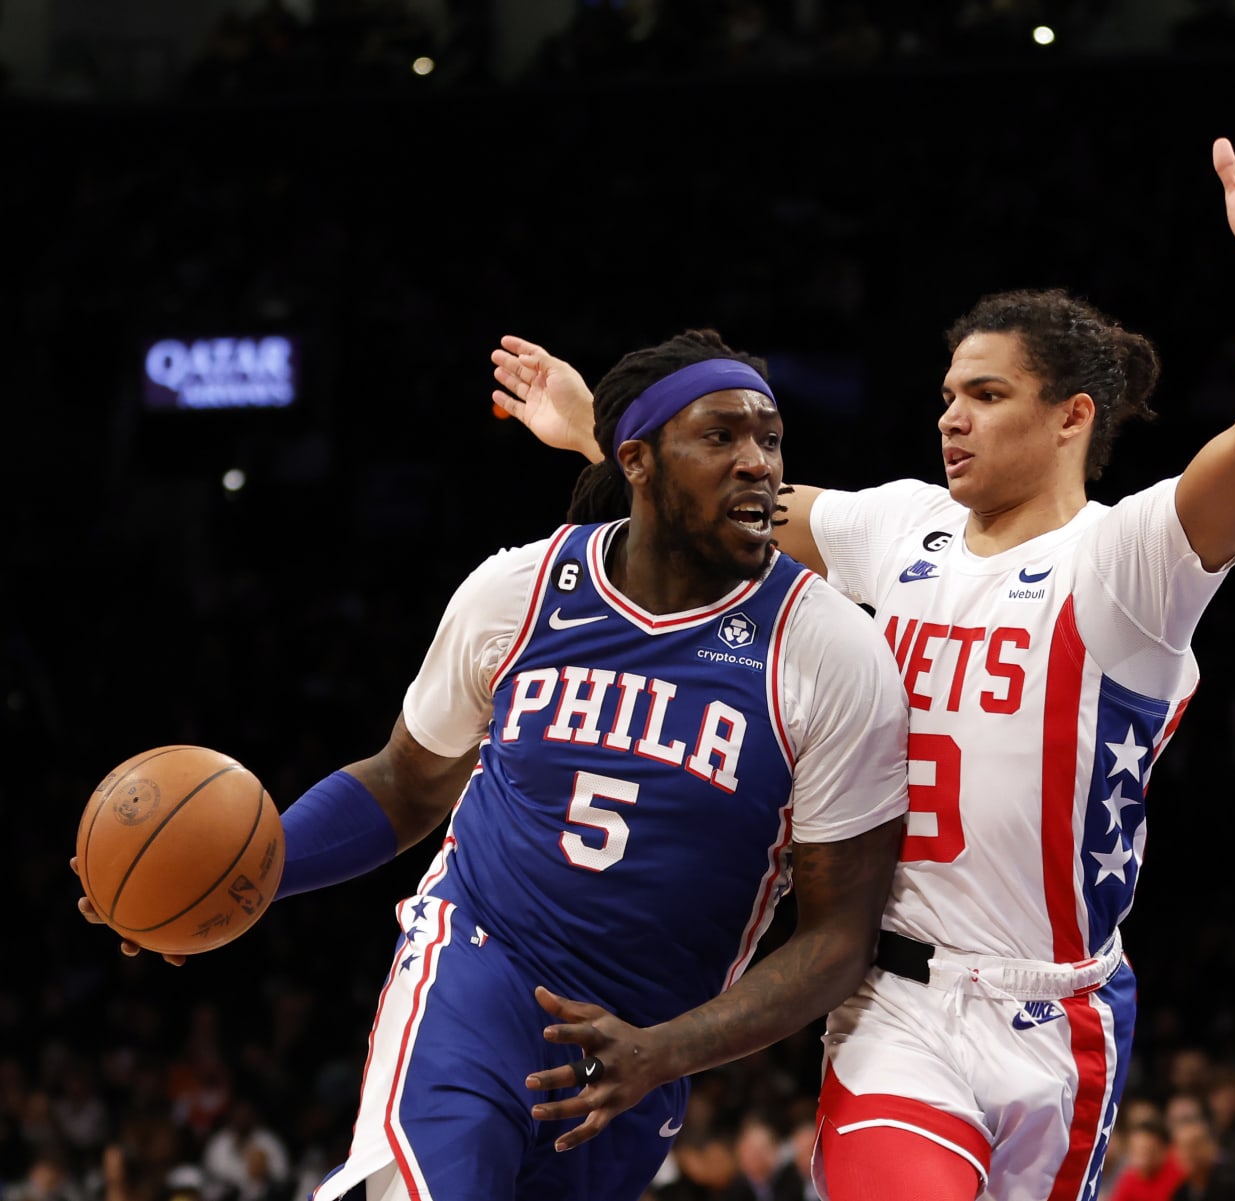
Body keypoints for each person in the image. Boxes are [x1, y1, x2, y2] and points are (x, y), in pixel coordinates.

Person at [491, 80, 1235, 1201]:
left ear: (1072, 416)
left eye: (987, 394)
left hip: (1066, 1018)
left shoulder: (1126, 561)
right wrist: (592, 425)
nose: (951, 417)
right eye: (946, 395)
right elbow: (726, 500)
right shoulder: (902, 525)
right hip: (898, 1008)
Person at [77, 331, 913, 1201]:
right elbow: (406, 782)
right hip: (478, 964)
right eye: (722, 435)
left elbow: (836, 939)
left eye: (770, 439)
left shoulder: (830, 649)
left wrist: (668, 1050)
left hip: (646, 1042)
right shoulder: (519, 592)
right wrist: (242, 875)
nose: (758, 463)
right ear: (635, 460)